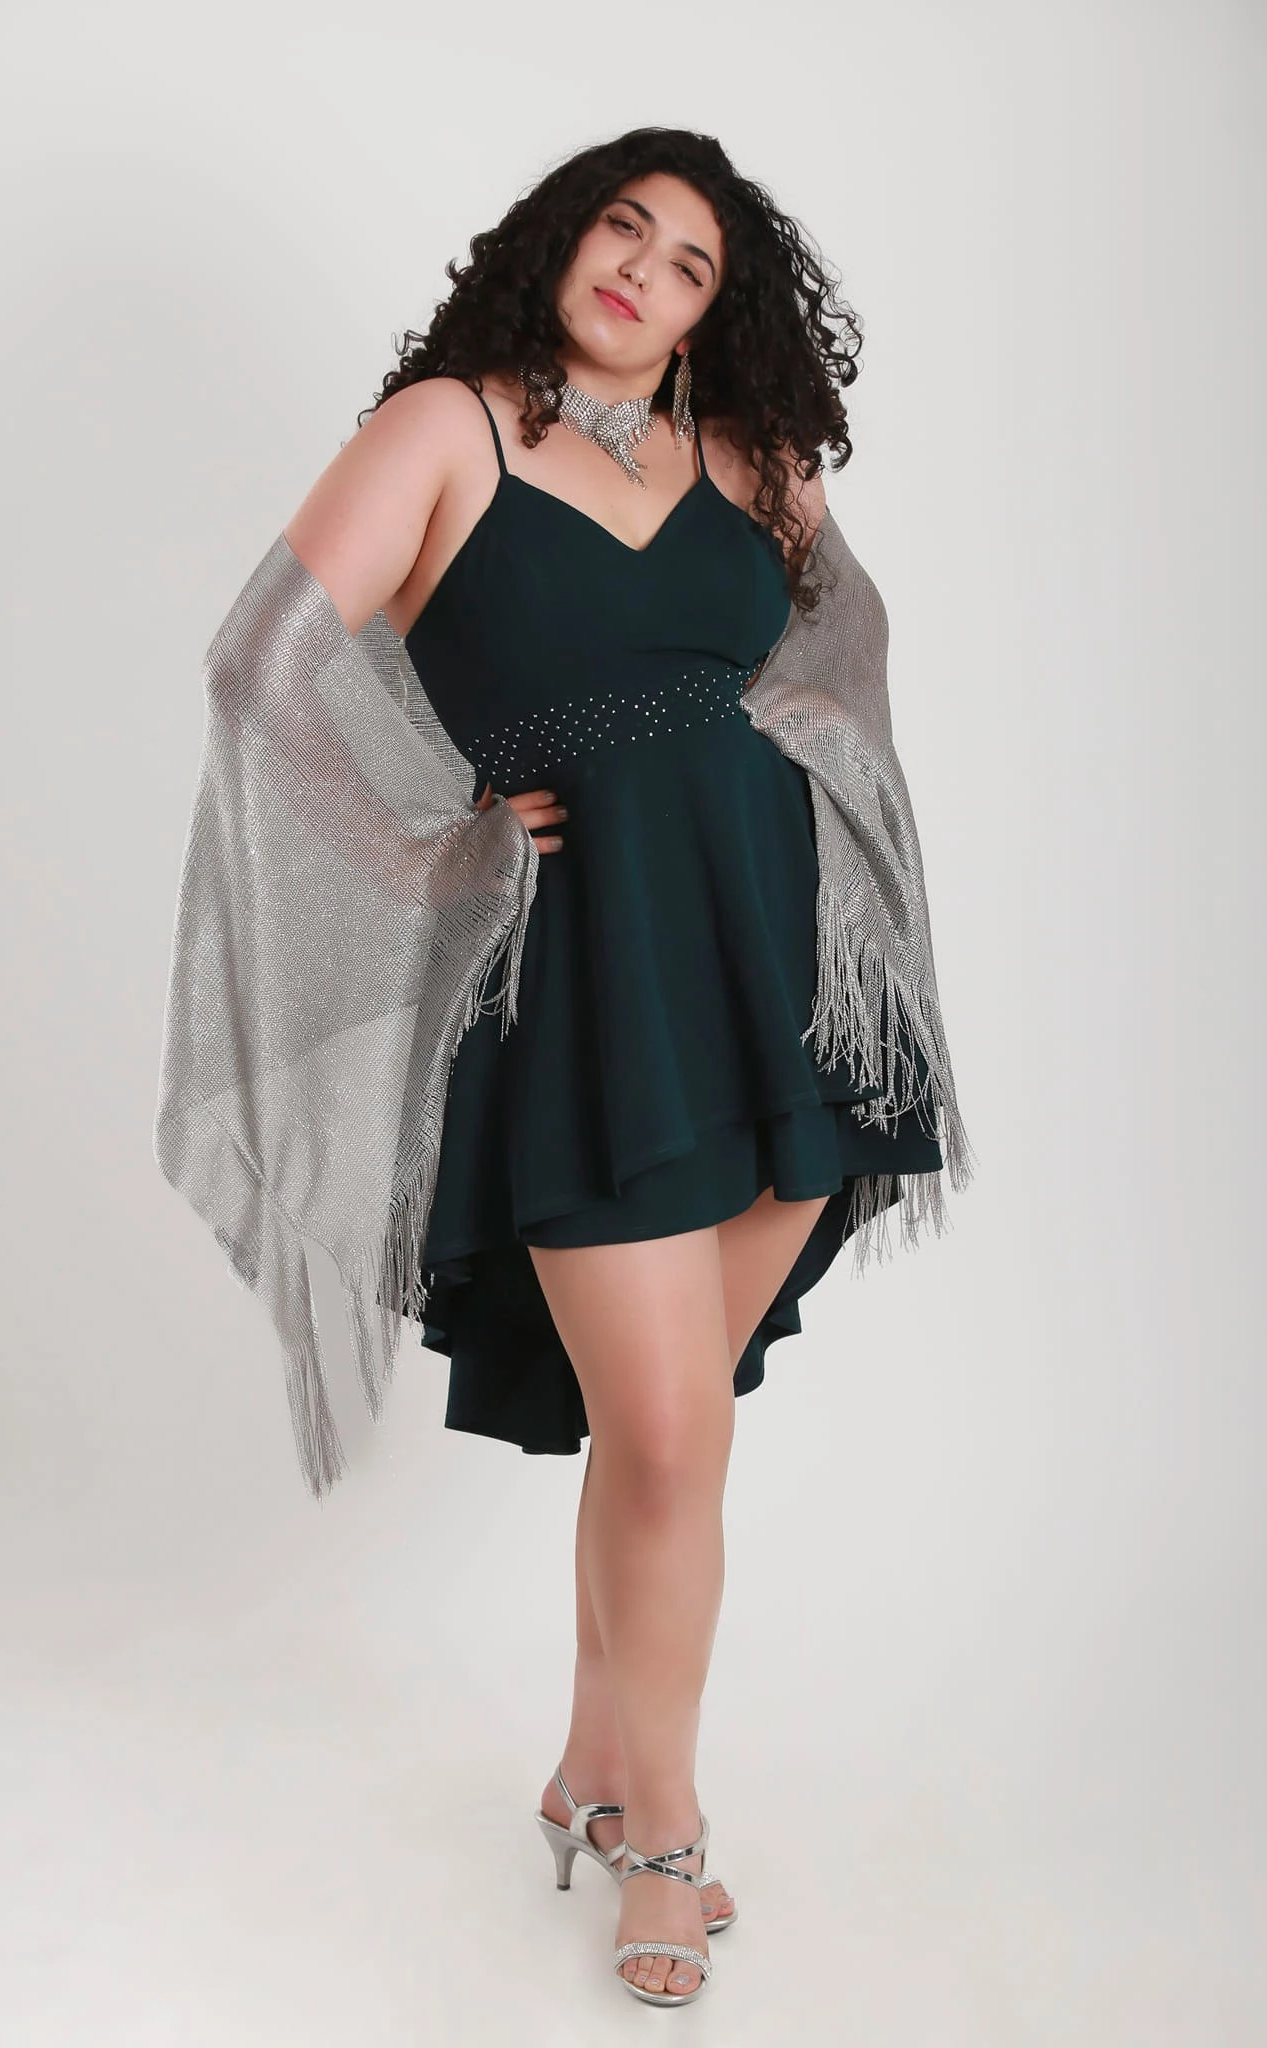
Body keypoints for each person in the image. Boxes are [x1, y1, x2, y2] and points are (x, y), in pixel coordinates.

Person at [267, 126, 955, 2007]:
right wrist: (437, 828)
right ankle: (667, 1835)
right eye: (623, 227)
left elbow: (849, 662)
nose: (644, 270)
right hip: (582, 990)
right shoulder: (449, 430)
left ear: (715, 315)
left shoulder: (752, 458)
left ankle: (590, 1763)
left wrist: (824, 836)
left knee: (682, 1429)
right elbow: (267, 673)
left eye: (691, 264)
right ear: (563, 237)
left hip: (775, 978)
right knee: (660, 1432)